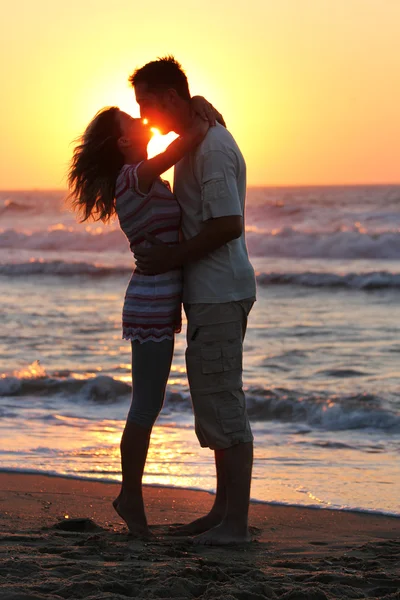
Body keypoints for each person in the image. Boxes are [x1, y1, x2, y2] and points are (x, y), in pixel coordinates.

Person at [68, 97, 223, 537]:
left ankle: (129, 494)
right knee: (145, 405)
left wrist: (194, 106)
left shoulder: (135, 176)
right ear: (122, 139)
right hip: (151, 300)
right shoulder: (134, 175)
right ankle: (129, 496)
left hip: (155, 297)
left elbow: (178, 146)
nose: (142, 120)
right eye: (133, 120)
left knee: (147, 403)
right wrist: (199, 114)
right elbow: (181, 146)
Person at [131, 56, 257, 545]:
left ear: (167, 97)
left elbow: (228, 224)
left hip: (221, 292)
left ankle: (235, 526)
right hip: (210, 294)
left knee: (224, 405)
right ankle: (223, 511)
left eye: (146, 103)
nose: (143, 115)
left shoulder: (212, 149)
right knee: (213, 400)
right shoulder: (194, 141)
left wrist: (170, 258)